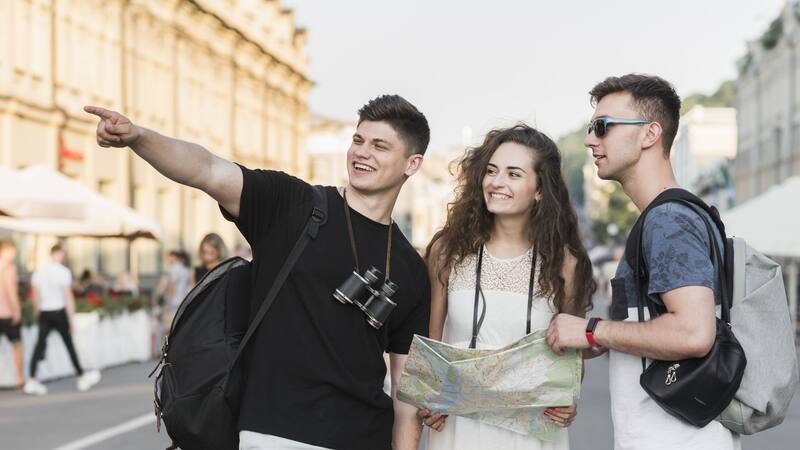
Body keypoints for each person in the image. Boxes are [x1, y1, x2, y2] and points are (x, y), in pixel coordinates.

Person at [85, 94, 431, 450]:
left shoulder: (412, 269)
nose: (362, 153)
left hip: (363, 437)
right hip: (274, 433)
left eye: (379, 146)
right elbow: (207, 169)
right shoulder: (294, 205)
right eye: (358, 140)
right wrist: (139, 137)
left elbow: (406, 390)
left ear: (412, 163)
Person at [546, 74, 740, 449]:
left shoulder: (668, 220)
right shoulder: (671, 214)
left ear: (650, 134)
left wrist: (592, 330)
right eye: (590, 129)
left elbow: (693, 333)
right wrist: (613, 338)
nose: (590, 140)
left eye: (602, 128)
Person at [422, 124, 597, 450]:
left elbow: (572, 363)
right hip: (460, 431)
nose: (496, 182)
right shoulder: (447, 252)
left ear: (540, 189)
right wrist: (431, 399)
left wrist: (566, 402)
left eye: (513, 174)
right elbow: (432, 350)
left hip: (532, 432)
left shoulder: (565, 264)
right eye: (491, 171)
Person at [24, 245, 101, 395]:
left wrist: (37, 313)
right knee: (69, 344)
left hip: (44, 312)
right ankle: (81, 375)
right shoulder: (63, 272)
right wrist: (71, 319)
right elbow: (67, 297)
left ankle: (32, 378)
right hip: (58, 311)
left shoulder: (40, 271)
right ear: (59, 254)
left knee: (39, 345)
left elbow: (36, 296)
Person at [0, 239, 24, 389]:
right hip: (7, 313)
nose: (14, 255)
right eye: (13, 252)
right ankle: (20, 378)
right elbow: (11, 291)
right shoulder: (9, 268)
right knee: (17, 345)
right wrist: (17, 310)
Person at [156, 250, 192, 328]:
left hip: (174, 302)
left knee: (169, 328)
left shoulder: (175, 268)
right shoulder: (187, 269)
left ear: (174, 257)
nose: (168, 260)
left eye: (169, 258)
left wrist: (168, 304)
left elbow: (173, 286)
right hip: (183, 300)